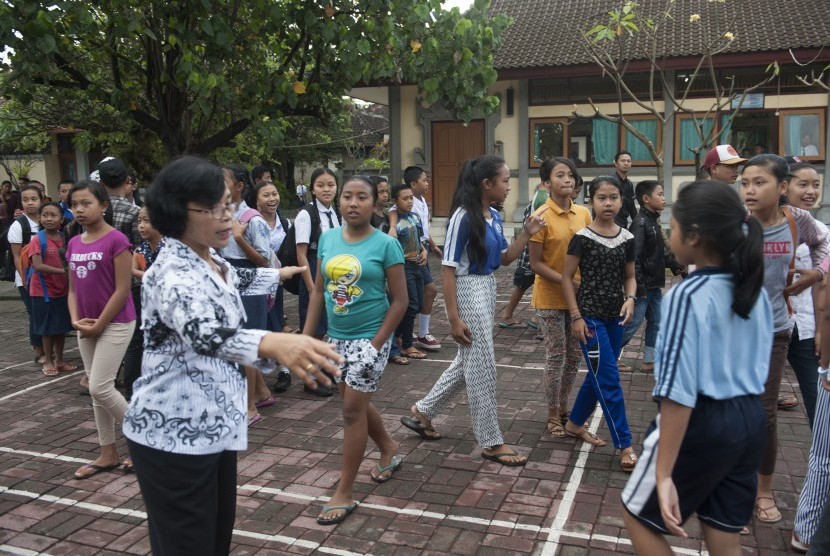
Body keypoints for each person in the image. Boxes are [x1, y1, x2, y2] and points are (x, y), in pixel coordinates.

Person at [122, 156, 342, 555]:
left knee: (216, 536)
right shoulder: (171, 270)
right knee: (188, 544)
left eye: (230, 204)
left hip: (213, 423)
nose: (229, 217)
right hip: (173, 431)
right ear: (176, 211)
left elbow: (236, 278)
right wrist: (270, 342)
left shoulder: (211, 257)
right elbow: (202, 332)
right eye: (215, 208)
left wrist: (279, 274)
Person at [621, 180, 772, 555]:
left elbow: (677, 391)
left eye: (673, 228)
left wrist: (665, 471)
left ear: (694, 237)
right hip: (750, 421)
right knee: (722, 530)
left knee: (639, 518)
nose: (670, 235)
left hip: (702, 424)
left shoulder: (687, 297)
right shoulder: (754, 289)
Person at [400, 155, 546, 466]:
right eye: (505, 180)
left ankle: (422, 412)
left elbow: (505, 259)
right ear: (486, 184)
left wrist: (528, 232)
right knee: (482, 367)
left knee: (469, 360)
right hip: (468, 290)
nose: (509, 186)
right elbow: (449, 269)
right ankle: (491, 441)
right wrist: (453, 319)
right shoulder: (462, 217)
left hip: (487, 286)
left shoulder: (492, 215)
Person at [304, 175, 408, 525]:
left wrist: (375, 345)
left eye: (361, 197)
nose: (352, 203)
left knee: (350, 411)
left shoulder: (385, 245)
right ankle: (389, 448)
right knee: (353, 401)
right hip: (336, 336)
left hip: (371, 337)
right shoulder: (329, 239)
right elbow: (319, 291)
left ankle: (344, 491)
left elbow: (401, 301)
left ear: (373, 204)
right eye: (346, 196)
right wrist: (306, 339)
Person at [738, 154, 828, 524]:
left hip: (776, 329)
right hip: (735, 330)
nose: (749, 190)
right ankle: (732, 488)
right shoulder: (735, 224)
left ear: (782, 187)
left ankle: (763, 491)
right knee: (732, 410)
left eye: (759, 182)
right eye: (745, 182)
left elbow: (824, 246)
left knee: (765, 414)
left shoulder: (797, 220)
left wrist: (816, 274)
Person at [561, 175, 638, 471]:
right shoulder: (582, 238)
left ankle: (575, 423)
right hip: (590, 319)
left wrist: (630, 298)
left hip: (616, 318)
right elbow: (567, 278)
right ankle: (625, 444)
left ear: (621, 200)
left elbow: (630, 276)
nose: (608, 203)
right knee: (608, 379)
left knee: (598, 375)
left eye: (614, 197)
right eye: (602, 197)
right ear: (590, 201)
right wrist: (576, 316)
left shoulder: (627, 238)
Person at [66, 180, 136, 480]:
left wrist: (100, 325)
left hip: (117, 322)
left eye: (86, 203)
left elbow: (122, 290)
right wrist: (75, 321)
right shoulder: (73, 243)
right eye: (74, 205)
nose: (79, 210)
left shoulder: (117, 240)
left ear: (104, 205)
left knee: (100, 386)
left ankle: (145, 438)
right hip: (86, 324)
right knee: (98, 393)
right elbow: (72, 290)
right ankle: (108, 452)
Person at [528, 158, 592, 436]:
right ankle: (553, 414)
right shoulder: (540, 217)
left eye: (570, 175)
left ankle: (566, 408)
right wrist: (568, 281)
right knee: (556, 355)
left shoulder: (584, 214)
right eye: (560, 175)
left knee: (575, 356)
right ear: (546, 183)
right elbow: (536, 264)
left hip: (578, 299)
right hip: (551, 298)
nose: (567, 179)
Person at [222, 164, 276, 423]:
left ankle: (250, 408)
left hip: (251, 283)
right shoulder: (222, 214)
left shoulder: (252, 219)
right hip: (230, 281)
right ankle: (262, 392)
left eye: (222, 182)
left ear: (239, 186)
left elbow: (264, 261)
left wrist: (240, 239)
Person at [620, 181, 686, 373]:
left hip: (654, 285)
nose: (664, 198)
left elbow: (658, 253)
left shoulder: (652, 222)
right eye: (660, 194)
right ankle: (609, 357)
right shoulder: (640, 224)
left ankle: (650, 360)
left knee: (657, 321)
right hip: (643, 287)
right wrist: (638, 287)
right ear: (646, 199)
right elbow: (635, 258)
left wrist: (675, 265)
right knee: (631, 323)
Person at [779, 160, 827, 421]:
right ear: (784, 187)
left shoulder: (819, 230)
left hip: (806, 326)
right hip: (771, 324)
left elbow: (823, 283)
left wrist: (821, 330)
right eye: (803, 184)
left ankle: (823, 456)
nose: (811, 191)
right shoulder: (764, 224)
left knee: (818, 395)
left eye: (816, 184)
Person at [249, 176, 295, 394]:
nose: (272, 199)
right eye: (266, 195)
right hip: (257, 280)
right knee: (259, 325)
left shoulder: (286, 224)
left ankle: (284, 370)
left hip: (277, 281)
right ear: (256, 201)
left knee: (275, 322)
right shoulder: (250, 222)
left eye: (274, 194)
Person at [389, 166, 443, 352]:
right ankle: (409, 336)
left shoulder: (418, 204)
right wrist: (393, 227)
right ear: (413, 184)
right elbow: (393, 212)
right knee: (419, 296)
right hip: (407, 259)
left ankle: (415, 333)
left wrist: (431, 246)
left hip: (421, 251)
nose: (427, 183)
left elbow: (421, 230)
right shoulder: (401, 207)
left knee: (423, 295)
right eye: (424, 180)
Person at [28, 202, 75, 376]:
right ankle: (48, 360)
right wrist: (64, 271)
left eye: (53, 215)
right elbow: (38, 265)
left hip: (61, 289)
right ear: (40, 218)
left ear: (61, 219)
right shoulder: (37, 239)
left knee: (61, 326)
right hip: (43, 291)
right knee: (47, 328)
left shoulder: (65, 238)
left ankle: (60, 360)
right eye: (45, 215)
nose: (49, 219)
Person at [124, 207, 165, 401]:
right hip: (143, 296)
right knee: (137, 341)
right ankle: (131, 390)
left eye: (147, 221)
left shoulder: (170, 247)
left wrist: (147, 275)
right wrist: (151, 276)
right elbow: (132, 270)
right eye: (140, 221)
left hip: (164, 300)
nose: (141, 226)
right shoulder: (140, 249)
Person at [498, 182, 549, 330]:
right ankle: (511, 316)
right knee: (526, 284)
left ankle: (533, 317)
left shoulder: (537, 197)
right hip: (531, 251)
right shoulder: (543, 198)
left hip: (528, 250)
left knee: (527, 284)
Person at [388, 182, 428, 361]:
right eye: (405, 199)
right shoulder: (393, 222)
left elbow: (420, 239)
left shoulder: (415, 217)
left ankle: (397, 335)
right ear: (395, 201)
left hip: (418, 265)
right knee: (410, 305)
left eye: (411, 198)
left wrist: (425, 250)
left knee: (418, 304)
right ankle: (407, 345)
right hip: (404, 267)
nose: (410, 201)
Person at [9, 184, 44, 363]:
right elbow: (16, 256)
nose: (30, 203)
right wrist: (24, 278)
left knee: (46, 313)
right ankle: (39, 351)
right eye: (25, 200)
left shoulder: (48, 219)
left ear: (42, 199)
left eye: (33, 199)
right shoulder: (18, 225)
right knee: (35, 314)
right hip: (27, 278)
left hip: (47, 277)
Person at [612, 151, 637, 228]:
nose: (626, 163)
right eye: (623, 161)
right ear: (616, 163)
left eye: (628, 161)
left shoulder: (629, 184)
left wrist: (638, 223)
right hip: (612, 222)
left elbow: (631, 206)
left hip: (624, 223)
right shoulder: (610, 181)